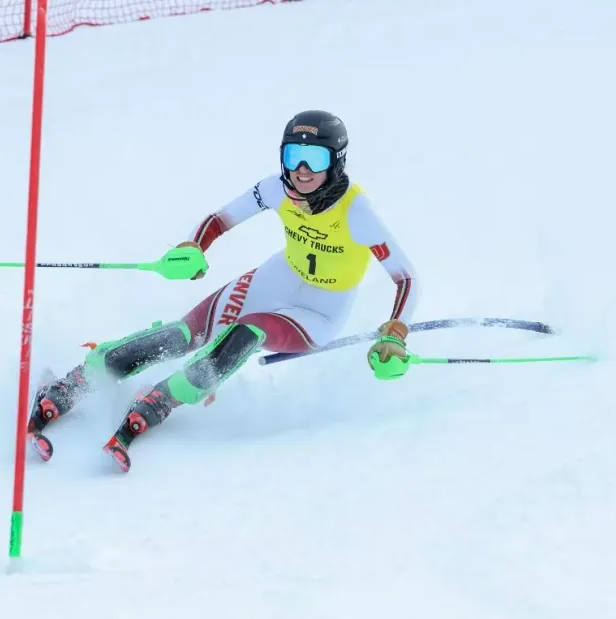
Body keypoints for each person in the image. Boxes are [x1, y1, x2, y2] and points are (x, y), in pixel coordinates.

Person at [27, 110, 422, 472]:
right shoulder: (276, 189)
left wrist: (396, 333)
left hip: (319, 312)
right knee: (184, 334)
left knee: (248, 332)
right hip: (278, 277)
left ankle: (165, 397)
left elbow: (406, 278)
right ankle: (75, 382)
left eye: (315, 159)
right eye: (292, 156)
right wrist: (195, 247)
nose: (301, 170)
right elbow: (220, 219)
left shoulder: (356, 212)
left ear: (336, 163)